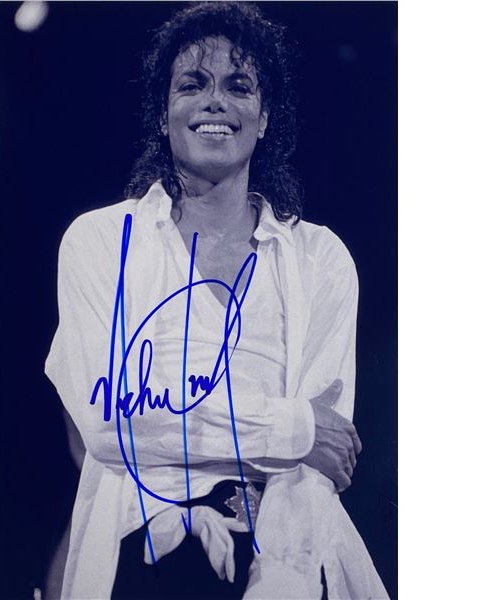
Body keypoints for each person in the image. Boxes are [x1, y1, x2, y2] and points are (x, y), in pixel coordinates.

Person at [45, 2, 389, 598]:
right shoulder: (99, 243)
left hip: (284, 557)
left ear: (264, 117)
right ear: (162, 114)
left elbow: (326, 452)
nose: (215, 101)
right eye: (192, 84)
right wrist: (292, 426)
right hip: (142, 554)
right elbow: (110, 424)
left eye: (238, 86)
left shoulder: (321, 259)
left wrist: (279, 580)